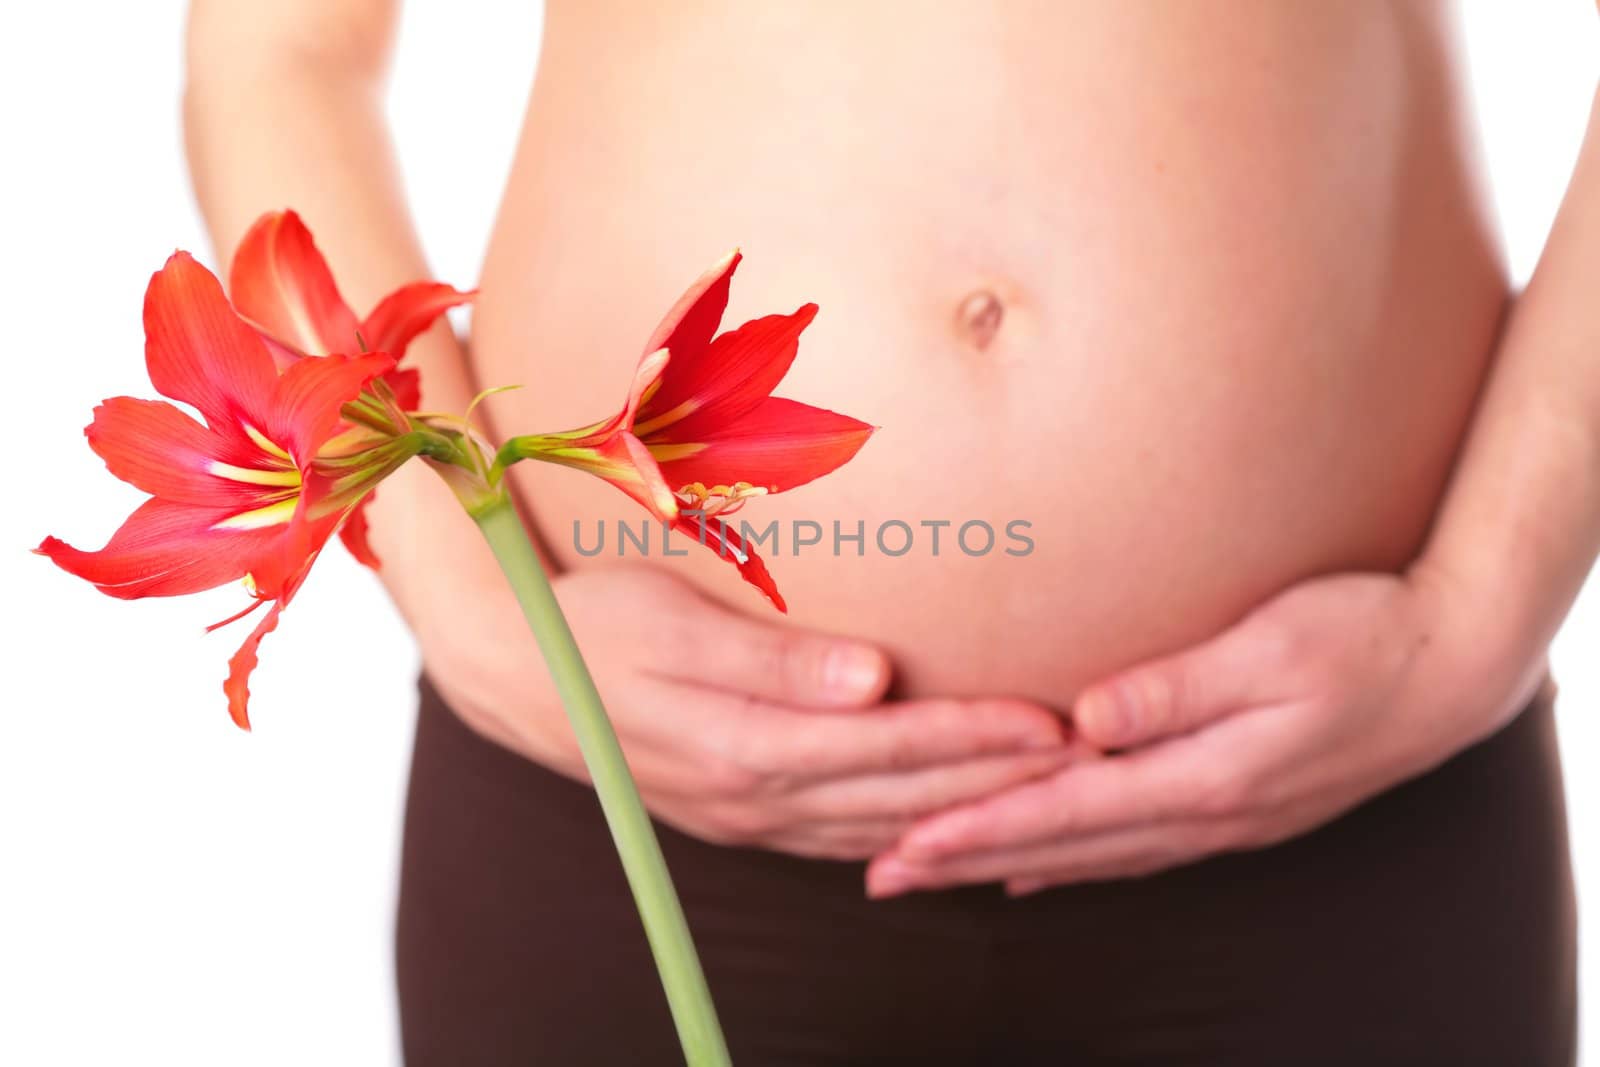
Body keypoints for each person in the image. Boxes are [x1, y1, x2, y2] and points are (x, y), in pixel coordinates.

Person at [184, 2, 1584, 1063]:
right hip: (628, 807)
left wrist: (1482, 609)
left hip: (1347, 816)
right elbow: (276, 52)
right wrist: (475, 608)